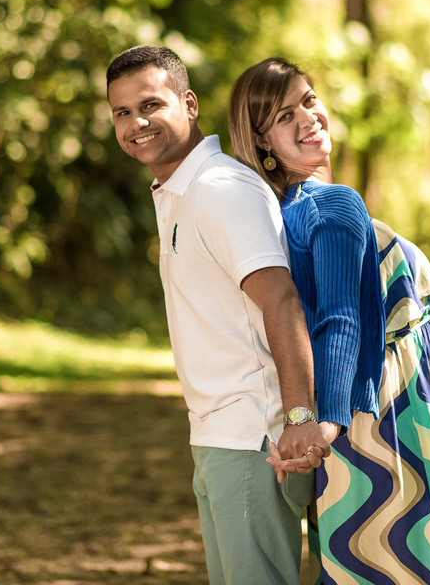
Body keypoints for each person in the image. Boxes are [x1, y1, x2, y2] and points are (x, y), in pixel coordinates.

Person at [228, 57, 430, 585]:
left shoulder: (279, 211)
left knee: (378, 544)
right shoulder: (331, 205)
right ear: (262, 142)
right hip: (393, 389)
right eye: (285, 117)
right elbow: (340, 320)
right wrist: (322, 426)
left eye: (309, 100)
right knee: (408, 545)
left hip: (396, 377)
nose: (308, 118)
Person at [106, 45, 330, 585]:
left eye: (151, 106)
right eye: (122, 112)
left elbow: (280, 298)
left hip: (256, 438)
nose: (137, 123)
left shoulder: (221, 189)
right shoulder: (180, 193)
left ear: (189, 104)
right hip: (217, 437)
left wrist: (298, 417)